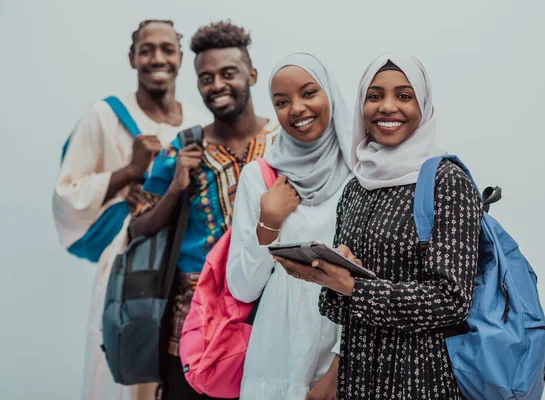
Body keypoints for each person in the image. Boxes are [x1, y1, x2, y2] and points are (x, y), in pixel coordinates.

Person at [276, 53, 484, 399]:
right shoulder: (357, 186)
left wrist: (356, 288)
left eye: (404, 96)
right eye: (375, 96)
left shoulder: (447, 182)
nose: (387, 107)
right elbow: (336, 308)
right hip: (358, 378)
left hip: (421, 379)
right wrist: (328, 273)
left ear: (423, 105)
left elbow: (451, 301)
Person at [52, 20, 208, 400]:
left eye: (167, 49)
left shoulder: (197, 122)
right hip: (129, 264)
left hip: (184, 265)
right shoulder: (104, 116)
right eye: (147, 49)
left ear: (180, 57)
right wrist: (130, 172)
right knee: (123, 371)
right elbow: (66, 195)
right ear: (132, 57)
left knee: (177, 367)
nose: (158, 58)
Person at [129, 21, 279, 400]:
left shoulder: (284, 143)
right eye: (205, 77)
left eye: (228, 73)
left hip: (273, 316)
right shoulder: (183, 148)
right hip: (197, 328)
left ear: (252, 74)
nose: (216, 85)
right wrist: (177, 187)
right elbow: (137, 228)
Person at [226, 53, 352, 400]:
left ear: (330, 94)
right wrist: (269, 222)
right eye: (281, 102)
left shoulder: (362, 174)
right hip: (275, 356)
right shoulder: (260, 176)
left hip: (341, 350)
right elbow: (242, 289)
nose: (296, 108)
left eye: (309, 93)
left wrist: (338, 373)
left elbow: (372, 280)